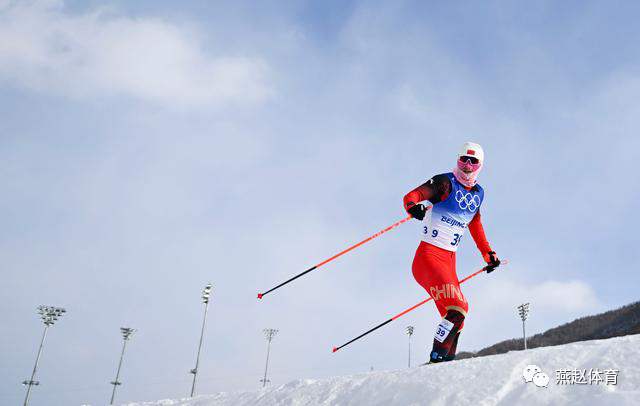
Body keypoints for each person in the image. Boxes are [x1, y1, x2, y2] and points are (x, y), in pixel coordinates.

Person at [403, 142, 501, 363]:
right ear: (457, 160)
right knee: (459, 308)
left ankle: (445, 365)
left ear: (480, 165)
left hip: (449, 261)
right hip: (428, 258)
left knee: (457, 318)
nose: (467, 165)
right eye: (463, 159)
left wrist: (488, 254)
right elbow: (412, 196)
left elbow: (475, 225)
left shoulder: (478, 194)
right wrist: (413, 206)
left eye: (473, 161)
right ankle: (437, 358)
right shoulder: (444, 183)